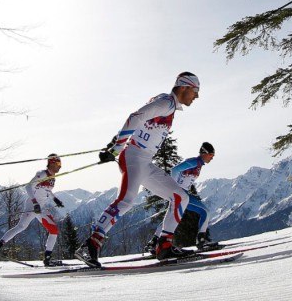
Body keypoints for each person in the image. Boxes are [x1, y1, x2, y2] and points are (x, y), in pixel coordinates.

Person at [76, 72, 202, 268]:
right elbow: (136, 116)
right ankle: (90, 245)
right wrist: (117, 147)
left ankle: (164, 245)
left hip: (144, 161)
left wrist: (115, 142)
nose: (196, 96)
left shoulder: (165, 103)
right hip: (133, 157)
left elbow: (140, 122)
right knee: (126, 200)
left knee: (180, 197)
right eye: (195, 91)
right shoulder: (167, 103)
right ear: (184, 87)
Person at [0, 154, 66, 266]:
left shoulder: (52, 178)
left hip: (42, 208)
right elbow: (28, 187)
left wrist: (55, 199)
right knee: (21, 227)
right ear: (51, 163)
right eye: (58, 164)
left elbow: (47, 191)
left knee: (54, 230)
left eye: (61, 164)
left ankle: (47, 259)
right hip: (32, 206)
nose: (60, 166)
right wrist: (35, 203)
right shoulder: (42, 174)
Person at [167, 141, 217, 251]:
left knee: (172, 216)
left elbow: (185, 178)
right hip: (180, 194)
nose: (212, 158)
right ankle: (201, 241)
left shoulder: (198, 164)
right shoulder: (194, 162)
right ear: (204, 153)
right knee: (205, 211)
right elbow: (175, 170)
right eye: (211, 155)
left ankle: (155, 242)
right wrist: (174, 189)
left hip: (183, 193)